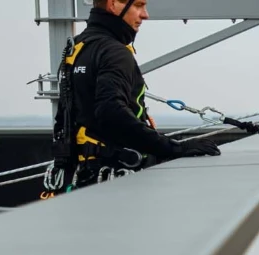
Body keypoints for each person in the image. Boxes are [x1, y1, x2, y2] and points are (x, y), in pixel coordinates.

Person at [54, 0, 220, 190]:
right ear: (112, 4)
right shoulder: (114, 52)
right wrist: (175, 148)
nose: (145, 14)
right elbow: (111, 112)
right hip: (113, 181)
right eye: (138, 5)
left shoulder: (77, 47)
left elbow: (66, 115)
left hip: (79, 175)